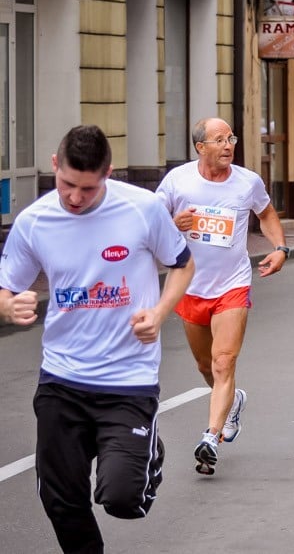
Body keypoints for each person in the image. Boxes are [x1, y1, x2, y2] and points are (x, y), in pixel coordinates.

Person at [0, 125, 194, 553]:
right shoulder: (35, 222)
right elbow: (4, 288)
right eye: (67, 184)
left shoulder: (142, 209)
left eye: (88, 188)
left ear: (108, 173)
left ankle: (148, 453)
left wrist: (160, 313)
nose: (74, 197)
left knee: (123, 499)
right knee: (59, 496)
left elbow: (182, 263)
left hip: (128, 380)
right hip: (61, 380)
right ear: (55, 165)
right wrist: (8, 307)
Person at [156, 117, 289, 476]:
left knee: (222, 361)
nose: (229, 144)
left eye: (231, 137)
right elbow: (150, 222)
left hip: (233, 284)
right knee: (204, 366)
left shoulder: (247, 182)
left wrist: (280, 248)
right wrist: (173, 224)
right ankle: (232, 401)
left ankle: (211, 437)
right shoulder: (178, 181)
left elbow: (267, 214)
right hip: (190, 287)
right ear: (201, 148)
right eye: (219, 140)